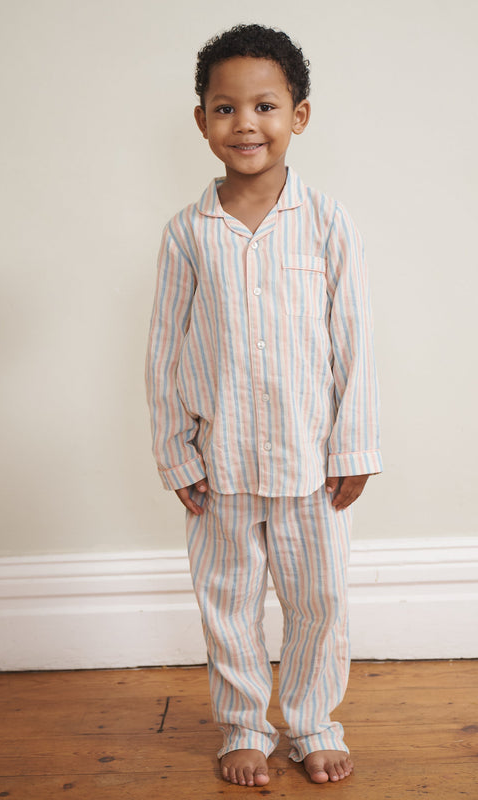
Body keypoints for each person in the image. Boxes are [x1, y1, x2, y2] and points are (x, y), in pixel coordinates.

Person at [145, 23, 382, 787]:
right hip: (221, 466)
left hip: (312, 463)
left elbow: (355, 343)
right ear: (202, 120)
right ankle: (243, 722)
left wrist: (355, 448)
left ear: (298, 116)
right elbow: (162, 355)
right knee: (229, 605)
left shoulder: (327, 223)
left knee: (319, 602)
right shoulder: (188, 235)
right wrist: (174, 450)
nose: (245, 123)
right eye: (225, 108)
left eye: (265, 106)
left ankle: (313, 720)